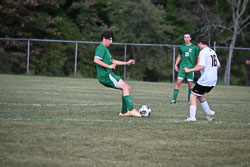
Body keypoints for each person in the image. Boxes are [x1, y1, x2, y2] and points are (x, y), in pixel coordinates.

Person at [94, 30, 141, 117]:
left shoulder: (105, 49)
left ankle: (123, 112)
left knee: (127, 88)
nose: (111, 42)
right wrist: (109, 66)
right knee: (125, 87)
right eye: (110, 39)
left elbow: (113, 61)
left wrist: (127, 63)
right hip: (106, 76)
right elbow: (96, 60)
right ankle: (131, 109)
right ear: (104, 38)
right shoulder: (101, 48)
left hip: (109, 74)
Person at [184, 34, 221, 121]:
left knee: (193, 95)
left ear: (200, 43)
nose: (198, 46)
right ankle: (208, 112)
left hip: (206, 79)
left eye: (198, 44)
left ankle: (192, 117)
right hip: (213, 79)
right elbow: (218, 65)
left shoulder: (203, 52)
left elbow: (201, 66)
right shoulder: (212, 51)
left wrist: (189, 70)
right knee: (199, 95)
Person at [170, 33, 200, 104]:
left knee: (190, 84)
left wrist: (197, 65)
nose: (186, 39)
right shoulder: (181, 47)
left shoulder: (194, 47)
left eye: (188, 37)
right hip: (182, 68)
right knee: (178, 82)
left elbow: (198, 57)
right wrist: (176, 64)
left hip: (190, 68)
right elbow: (179, 56)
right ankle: (174, 99)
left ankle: (190, 100)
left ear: (190, 38)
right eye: (185, 37)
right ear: (184, 38)